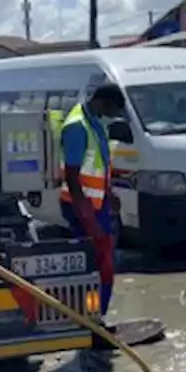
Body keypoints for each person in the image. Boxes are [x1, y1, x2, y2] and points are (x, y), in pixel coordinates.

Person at [58, 84, 127, 319]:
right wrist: (88, 217)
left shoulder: (95, 123)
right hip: (82, 208)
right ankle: (93, 319)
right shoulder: (78, 127)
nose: (113, 116)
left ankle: (97, 316)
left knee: (103, 266)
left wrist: (109, 193)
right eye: (113, 110)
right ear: (102, 101)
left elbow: (98, 165)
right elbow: (72, 175)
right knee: (97, 268)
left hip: (97, 205)